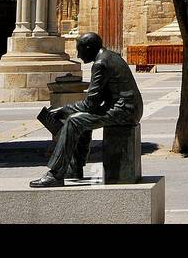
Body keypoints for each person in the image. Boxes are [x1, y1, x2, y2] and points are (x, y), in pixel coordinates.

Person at [30, 32, 143, 187]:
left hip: (124, 111)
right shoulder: (110, 56)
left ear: (89, 48)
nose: (78, 54)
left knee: (74, 121)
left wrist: (63, 110)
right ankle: (74, 167)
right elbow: (96, 100)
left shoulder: (100, 63)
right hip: (129, 108)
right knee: (82, 118)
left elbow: (91, 104)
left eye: (80, 50)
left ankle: (56, 174)